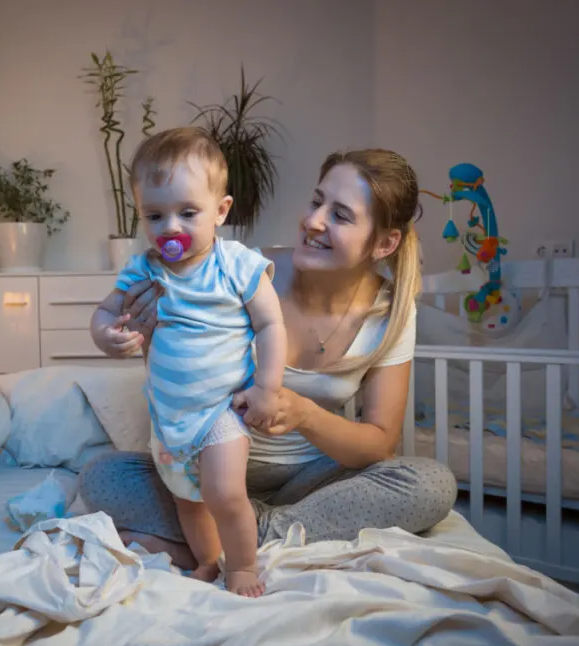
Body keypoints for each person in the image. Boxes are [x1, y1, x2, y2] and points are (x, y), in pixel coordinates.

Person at [81, 147, 458, 577]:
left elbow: (378, 444)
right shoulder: (239, 270)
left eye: (340, 215)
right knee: (100, 476)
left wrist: (305, 415)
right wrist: (139, 335)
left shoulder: (390, 314)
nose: (314, 221)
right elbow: (178, 370)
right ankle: (244, 529)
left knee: (431, 484)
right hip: (209, 458)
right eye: (317, 202)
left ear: (384, 242)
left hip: (309, 482)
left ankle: (245, 532)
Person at [90, 127, 287, 597]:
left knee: (222, 493)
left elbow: (271, 326)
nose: (170, 228)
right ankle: (207, 560)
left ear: (220, 212)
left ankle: (242, 567)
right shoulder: (144, 268)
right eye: (155, 215)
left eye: (187, 212)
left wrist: (268, 388)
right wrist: (104, 335)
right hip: (169, 415)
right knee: (188, 500)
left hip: (221, 410)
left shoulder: (236, 264)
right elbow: (104, 310)